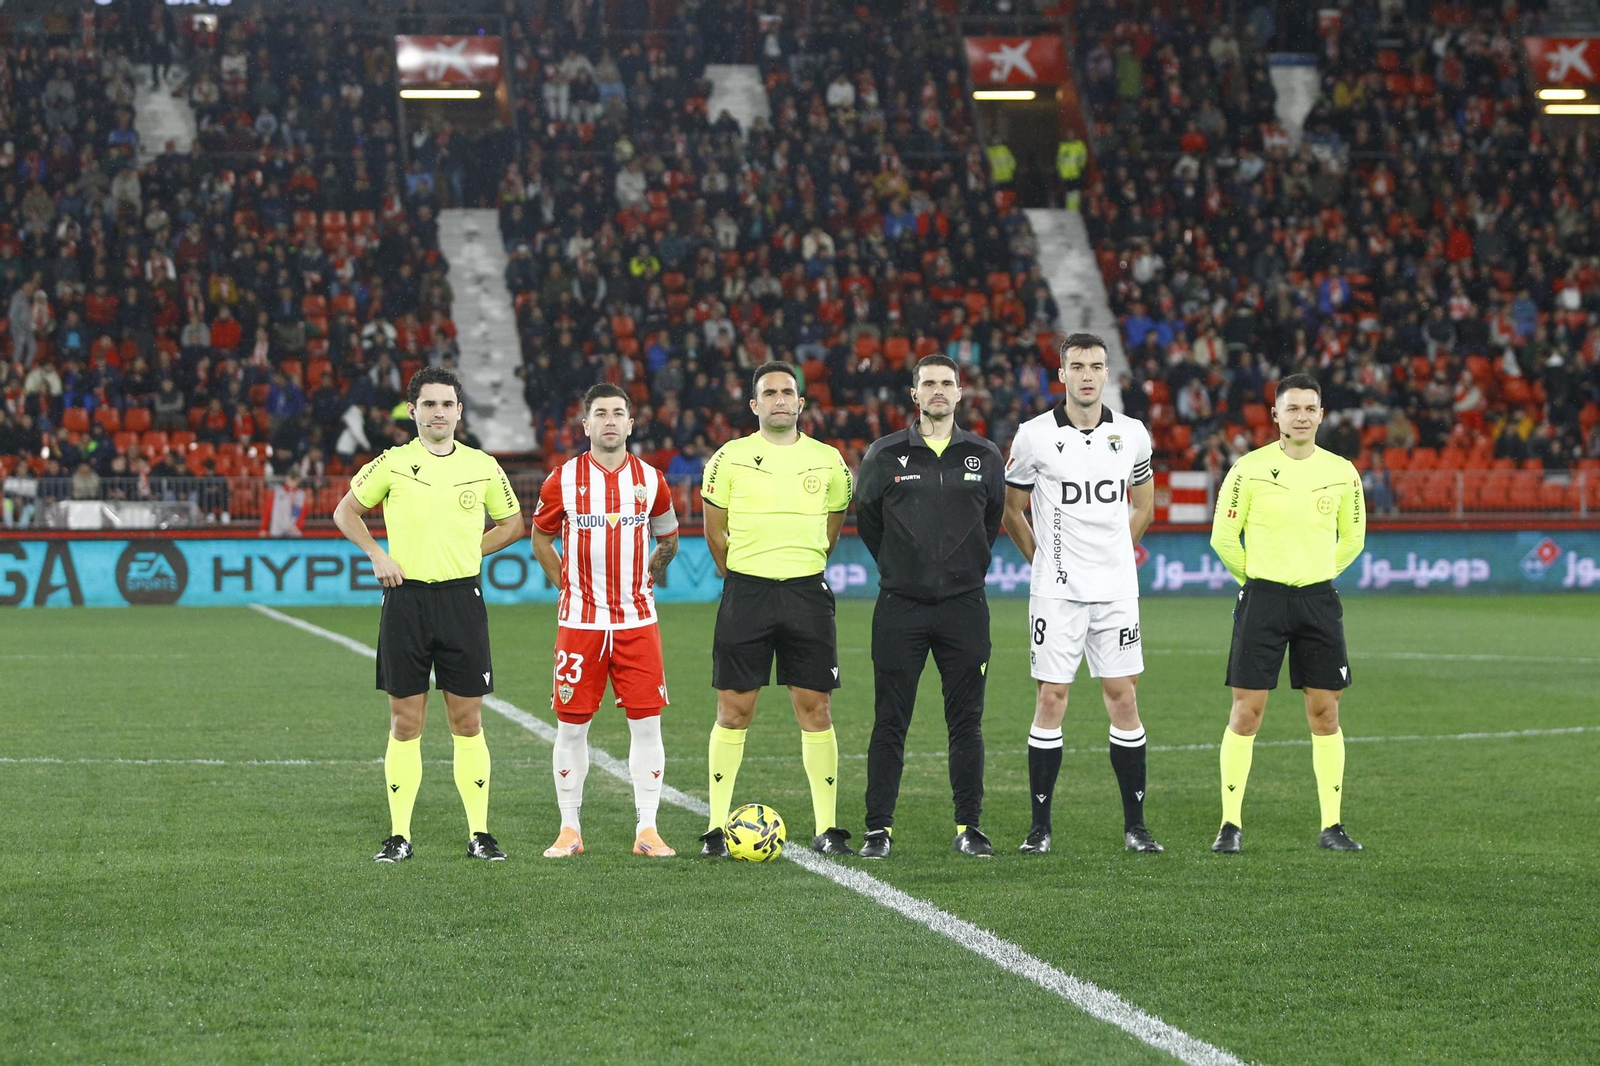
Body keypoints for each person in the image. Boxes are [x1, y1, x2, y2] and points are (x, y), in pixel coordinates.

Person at [333, 366, 526, 864]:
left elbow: (513, 524)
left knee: (468, 720)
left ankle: (480, 834)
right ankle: (399, 836)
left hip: (462, 600)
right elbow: (345, 512)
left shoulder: (482, 465)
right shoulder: (392, 463)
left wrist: (469, 551)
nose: (438, 412)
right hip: (406, 601)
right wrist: (378, 555)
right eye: (429, 404)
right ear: (413, 411)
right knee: (405, 721)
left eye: (447, 404)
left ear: (459, 411)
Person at [1001, 333, 1162, 854]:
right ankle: (1039, 828)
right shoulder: (1033, 437)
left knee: (1124, 698)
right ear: (1062, 375)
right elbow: (1011, 508)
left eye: (1096, 365)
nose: (1087, 375)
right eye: (1077, 366)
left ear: (1106, 372)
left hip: (1116, 591)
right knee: (1052, 698)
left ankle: (1136, 827)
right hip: (1057, 594)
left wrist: (1116, 552)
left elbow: (1143, 506)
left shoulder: (1134, 434)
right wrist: (1044, 560)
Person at [698, 361, 855, 858]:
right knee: (734, 709)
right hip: (747, 593)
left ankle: (827, 828)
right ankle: (717, 828)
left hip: (807, 594)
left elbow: (834, 522)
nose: (780, 399)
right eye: (770, 393)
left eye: (789, 392)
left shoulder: (829, 460)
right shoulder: (729, 457)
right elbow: (713, 529)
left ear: (801, 403)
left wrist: (802, 561)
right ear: (755, 405)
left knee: (816, 707)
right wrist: (744, 573)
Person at [1208, 372, 1367, 854]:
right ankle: (1230, 825)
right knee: (1246, 712)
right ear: (1275, 415)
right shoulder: (1248, 469)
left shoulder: (1342, 472)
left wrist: (1316, 573)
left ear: (1321, 414)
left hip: (1318, 602)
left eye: (1309, 408)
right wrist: (1254, 579)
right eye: (1291, 408)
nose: (1300, 416)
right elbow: (1222, 537)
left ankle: (1332, 826)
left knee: (1325, 713)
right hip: (1263, 601)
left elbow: (1353, 539)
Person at [854, 354, 1006, 858]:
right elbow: (869, 523)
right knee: (890, 719)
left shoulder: (984, 456)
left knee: (967, 721)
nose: (937, 391)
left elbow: (990, 521)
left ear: (960, 393)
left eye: (947, 383)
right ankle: (879, 828)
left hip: (965, 607)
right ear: (914, 395)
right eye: (928, 384)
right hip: (901, 606)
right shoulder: (884, 454)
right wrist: (904, 570)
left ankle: (969, 826)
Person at [530, 384, 680, 859]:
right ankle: (569, 829)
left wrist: (655, 568)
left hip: (638, 621)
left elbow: (669, 537)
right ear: (586, 424)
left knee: (647, 725)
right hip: (580, 623)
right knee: (572, 728)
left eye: (619, 413)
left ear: (631, 424)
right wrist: (568, 587)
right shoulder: (562, 480)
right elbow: (540, 540)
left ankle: (648, 829)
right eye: (601, 413)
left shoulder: (653, 480)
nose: (610, 421)